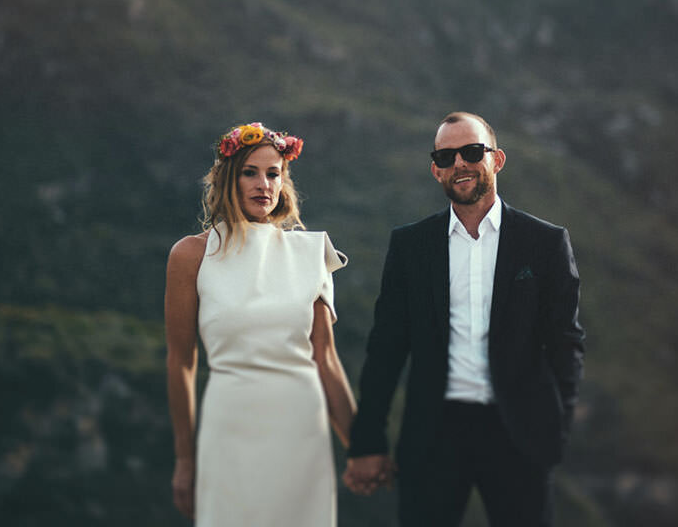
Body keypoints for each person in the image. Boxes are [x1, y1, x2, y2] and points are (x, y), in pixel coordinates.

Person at [343, 112, 585, 526]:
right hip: (433, 436)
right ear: (435, 170)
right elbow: (386, 348)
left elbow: (566, 344)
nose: (460, 163)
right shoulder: (410, 246)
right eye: (446, 155)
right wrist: (367, 441)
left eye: (472, 151)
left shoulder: (544, 243)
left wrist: (553, 430)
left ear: (497, 159)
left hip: (519, 436)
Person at [165, 122, 356, 525]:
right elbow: (181, 361)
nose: (263, 184)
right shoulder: (191, 255)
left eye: (273, 173)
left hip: (301, 430)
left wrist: (363, 449)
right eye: (250, 172)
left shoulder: (311, 253)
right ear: (227, 178)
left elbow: (327, 361)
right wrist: (185, 459)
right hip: (228, 426)